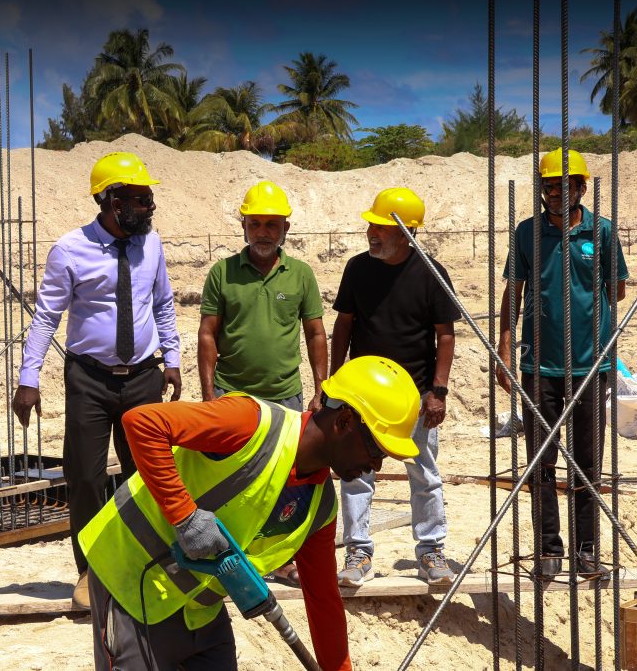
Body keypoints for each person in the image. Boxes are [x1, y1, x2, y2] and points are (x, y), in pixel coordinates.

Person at [78, 355, 422, 671]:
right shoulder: (251, 423)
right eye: (376, 449)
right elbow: (142, 423)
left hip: (198, 610)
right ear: (344, 421)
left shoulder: (319, 509)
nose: (376, 465)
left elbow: (324, 602)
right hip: (130, 580)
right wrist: (185, 516)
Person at [12, 151, 182, 609]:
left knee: (146, 474)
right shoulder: (69, 250)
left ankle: (147, 562)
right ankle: (90, 570)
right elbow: (46, 317)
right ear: (111, 201)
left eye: (149, 198)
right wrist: (29, 378)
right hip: (89, 379)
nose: (149, 207)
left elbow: (162, 303)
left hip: (144, 376)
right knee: (85, 477)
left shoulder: (152, 244)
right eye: (140, 199)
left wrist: (171, 358)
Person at [497, 148, 628, 580]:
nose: (555, 193)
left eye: (563, 186)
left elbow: (617, 290)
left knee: (588, 465)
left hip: (591, 366)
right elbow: (514, 290)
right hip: (540, 366)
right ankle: (548, 549)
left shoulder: (602, 231)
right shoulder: (527, 233)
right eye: (549, 187)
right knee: (540, 462)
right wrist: (505, 344)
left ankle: (587, 551)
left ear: (581, 188)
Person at [198, 181, 327, 586]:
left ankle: (278, 558)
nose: (263, 232)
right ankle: (228, 556)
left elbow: (315, 334)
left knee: (284, 483)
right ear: (244, 226)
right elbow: (207, 334)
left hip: (285, 397)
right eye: (255, 224)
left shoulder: (301, 275)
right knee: (230, 479)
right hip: (232, 396)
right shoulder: (222, 273)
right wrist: (208, 396)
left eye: (272, 224)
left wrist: (321, 387)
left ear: (285, 228)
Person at [331, 187, 459, 587]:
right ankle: (358, 552)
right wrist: (333, 383)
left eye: (381, 227)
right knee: (356, 473)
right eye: (371, 225)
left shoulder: (431, 274)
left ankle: (431, 550)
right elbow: (344, 326)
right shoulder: (357, 269)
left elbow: (445, 335)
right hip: (363, 397)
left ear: (406, 232)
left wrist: (438, 391)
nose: (372, 232)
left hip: (415, 396)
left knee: (424, 473)